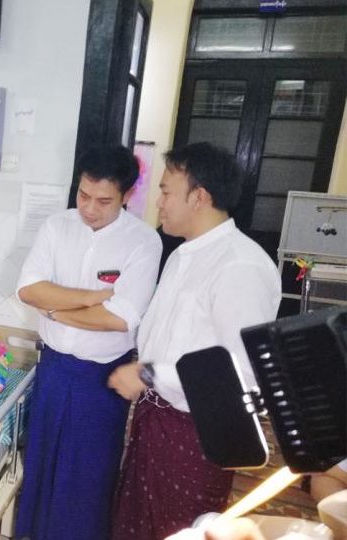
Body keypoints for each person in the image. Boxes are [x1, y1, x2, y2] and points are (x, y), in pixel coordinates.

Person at [108, 142, 282, 540]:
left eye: (167, 191)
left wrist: (150, 373)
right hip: (156, 419)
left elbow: (240, 371)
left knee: (181, 529)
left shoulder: (240, 266)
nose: (160, 203)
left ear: (199, 196)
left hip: (198, 431)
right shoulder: (183, 254)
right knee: (136, 523)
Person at [14, 145, 163, 539]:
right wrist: (87, 296)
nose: (89, 208)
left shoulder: (143, 241)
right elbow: (29, 290)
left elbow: (118, 319)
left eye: (103, 200)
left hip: (102, 379)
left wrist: (57, 308)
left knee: (87, 476)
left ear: (127, 196)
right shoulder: (57, 226)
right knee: (42, 463)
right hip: (53, 368)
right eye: (83, 195)